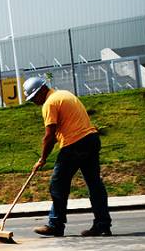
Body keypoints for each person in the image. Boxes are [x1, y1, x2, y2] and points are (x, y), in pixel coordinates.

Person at [24, 77, 111, 237]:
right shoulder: (64, 94)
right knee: (94, 184)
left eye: (34, 97)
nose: (34, 102)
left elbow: (49, 136)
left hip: (75, 144)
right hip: (91, 140)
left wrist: (42, 159)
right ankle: (103, 224)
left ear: (42, 90)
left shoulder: (49, 103)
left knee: (57, 185)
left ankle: (56, 224)